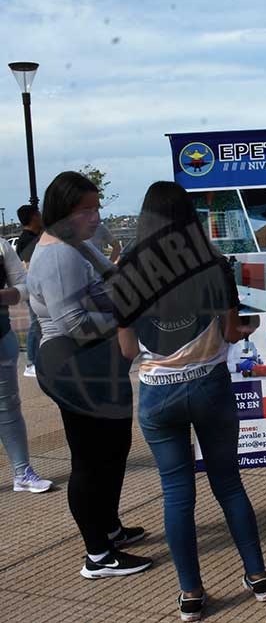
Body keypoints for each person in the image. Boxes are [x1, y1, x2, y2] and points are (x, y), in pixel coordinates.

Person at [115, 182, 266, 622]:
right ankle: (258, 576)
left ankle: (191, 594)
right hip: (210, 387)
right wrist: (244, 328)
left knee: (176, 494)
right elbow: (231, 332)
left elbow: (127, 350)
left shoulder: (127, 270)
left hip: (157, 395)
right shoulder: (212, 262)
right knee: (229, 485)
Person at [28, 171, 151, 578]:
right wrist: (126, 319)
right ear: (63, 212)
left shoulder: (74, 245)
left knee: (113, 447)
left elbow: (114, 281)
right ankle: (98, 555)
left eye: (97, 207)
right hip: (73, 366)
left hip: (92, 363)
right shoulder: (58, 255)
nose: (96, 217)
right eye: (86, 210)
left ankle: (109, 527)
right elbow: (73, 323)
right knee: (90, 458)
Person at [0, 230, 52, 493]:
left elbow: (24, 287)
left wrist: (3, 295)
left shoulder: (1, 247)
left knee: (7, 407)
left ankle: (22, 472)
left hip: (1, 337)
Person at [16, 204, 42, 377]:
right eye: (38, 214)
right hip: (32, 286)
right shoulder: (27, 239)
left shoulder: (31, 237)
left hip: (33, 286)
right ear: (33, 217)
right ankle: (31, 362)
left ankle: (36, 360)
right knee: (36, 323)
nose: (41, 216)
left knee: (39, 323)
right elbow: (29, 265)